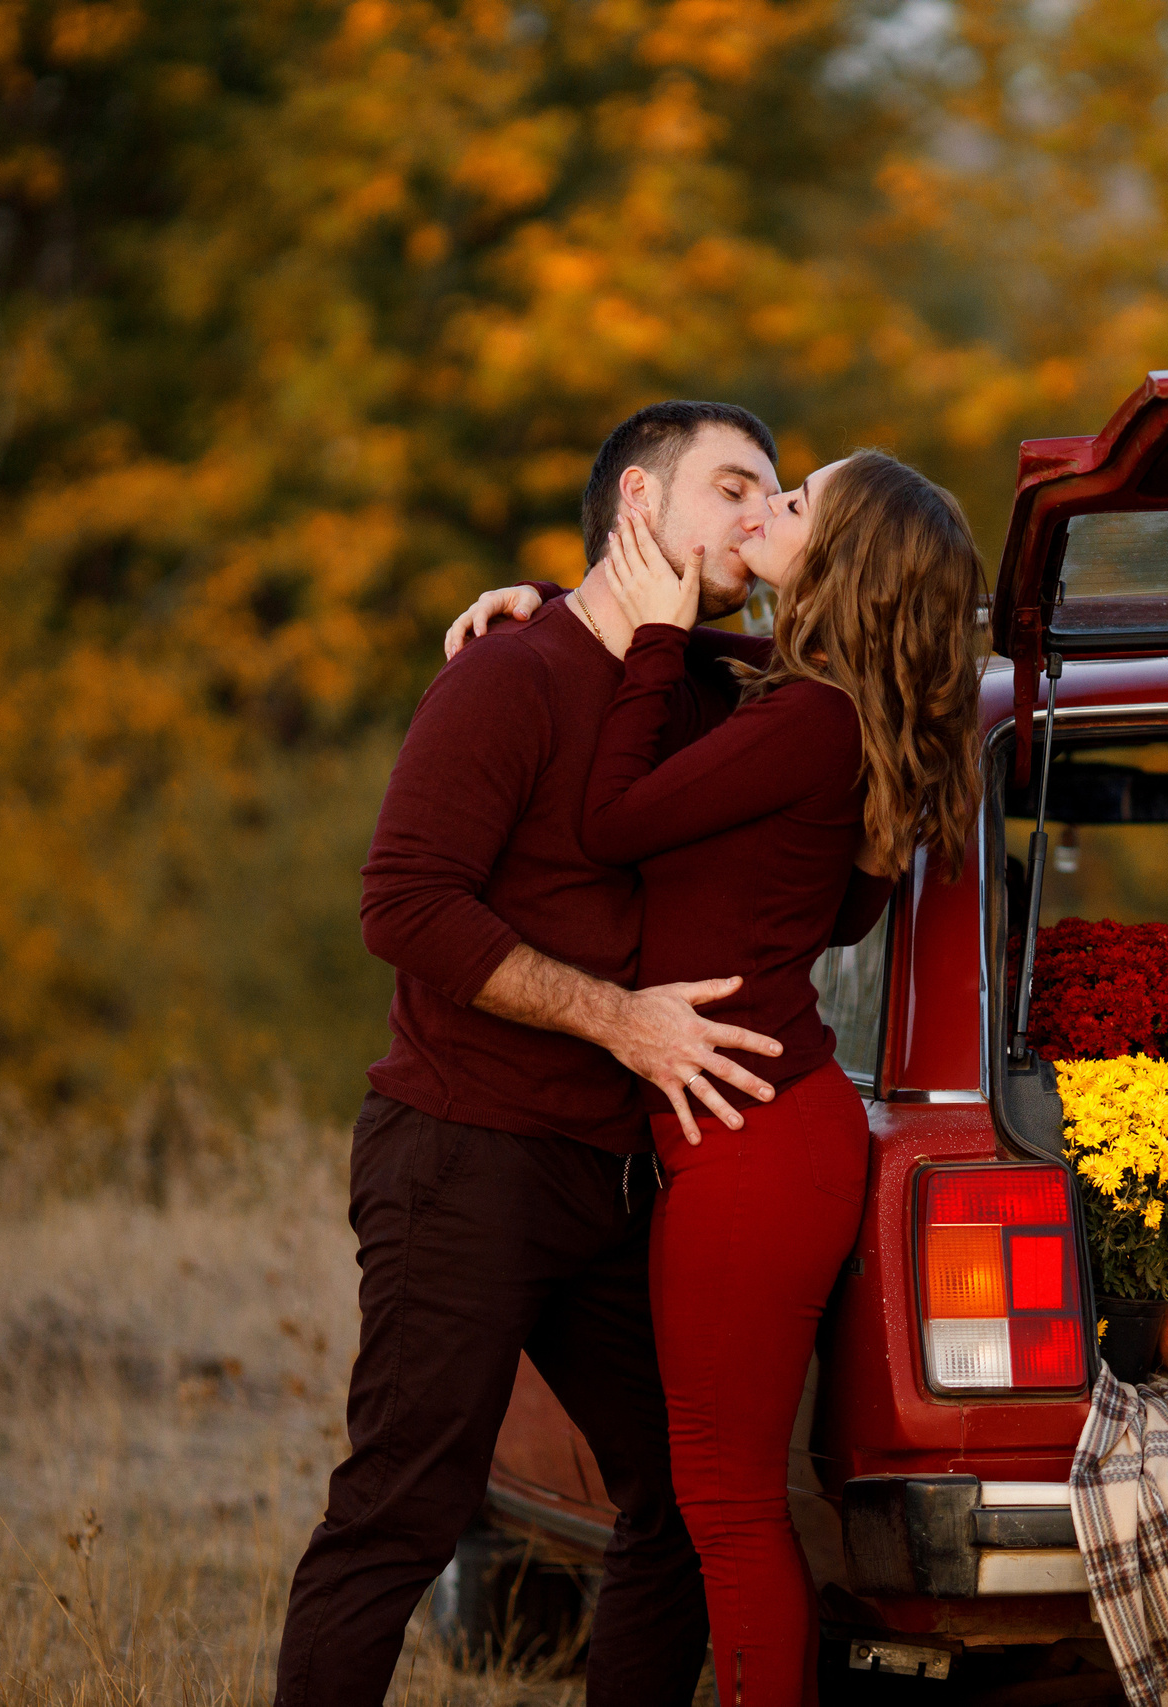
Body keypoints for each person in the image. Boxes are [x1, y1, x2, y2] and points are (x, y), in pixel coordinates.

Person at [276, 401, 885, 1707]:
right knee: (401, 1508)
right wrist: (619, 1018)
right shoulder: (507, 675)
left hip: (618, 1175)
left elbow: (852, 677)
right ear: (641, 505)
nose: (758, 516)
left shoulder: (707, 685)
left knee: (677, 1497)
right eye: (733, 487)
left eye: (775, 495)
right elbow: (403, 905)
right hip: (467, 1153)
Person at [572, 451, 983, 1707]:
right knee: (725, 1489)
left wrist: (652, 643)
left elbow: (610, 822)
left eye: (794, 503)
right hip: (772, 1126)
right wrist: (569, 610)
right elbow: (845, 912)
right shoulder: (836, 710)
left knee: (727, 1497)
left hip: (751, 1146)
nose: (765, 510)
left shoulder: (810, 722)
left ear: (840, 560)